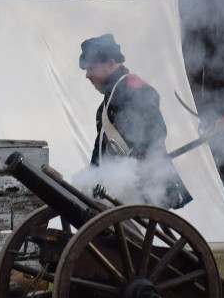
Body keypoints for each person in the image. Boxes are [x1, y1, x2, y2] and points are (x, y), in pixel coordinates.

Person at [79, 33, 192, 210]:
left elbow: (155, 131)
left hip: (143, 185)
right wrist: (91, 179)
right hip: (120, 189)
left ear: (110, 63)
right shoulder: (108, 102)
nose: (87, 75)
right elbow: (100, 149)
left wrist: (133, 163)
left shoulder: (134, 89)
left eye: (92, 67)